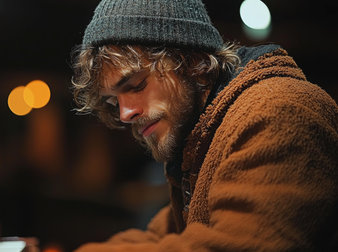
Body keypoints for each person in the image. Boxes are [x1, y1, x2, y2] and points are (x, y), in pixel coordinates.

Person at [70, 0, 338, 251]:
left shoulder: (278, 111)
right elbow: (164, 236)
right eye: (114, 101)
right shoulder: (203, 135)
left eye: (137, 85)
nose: (125, 113)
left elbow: (232, 245)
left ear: (194, 62)